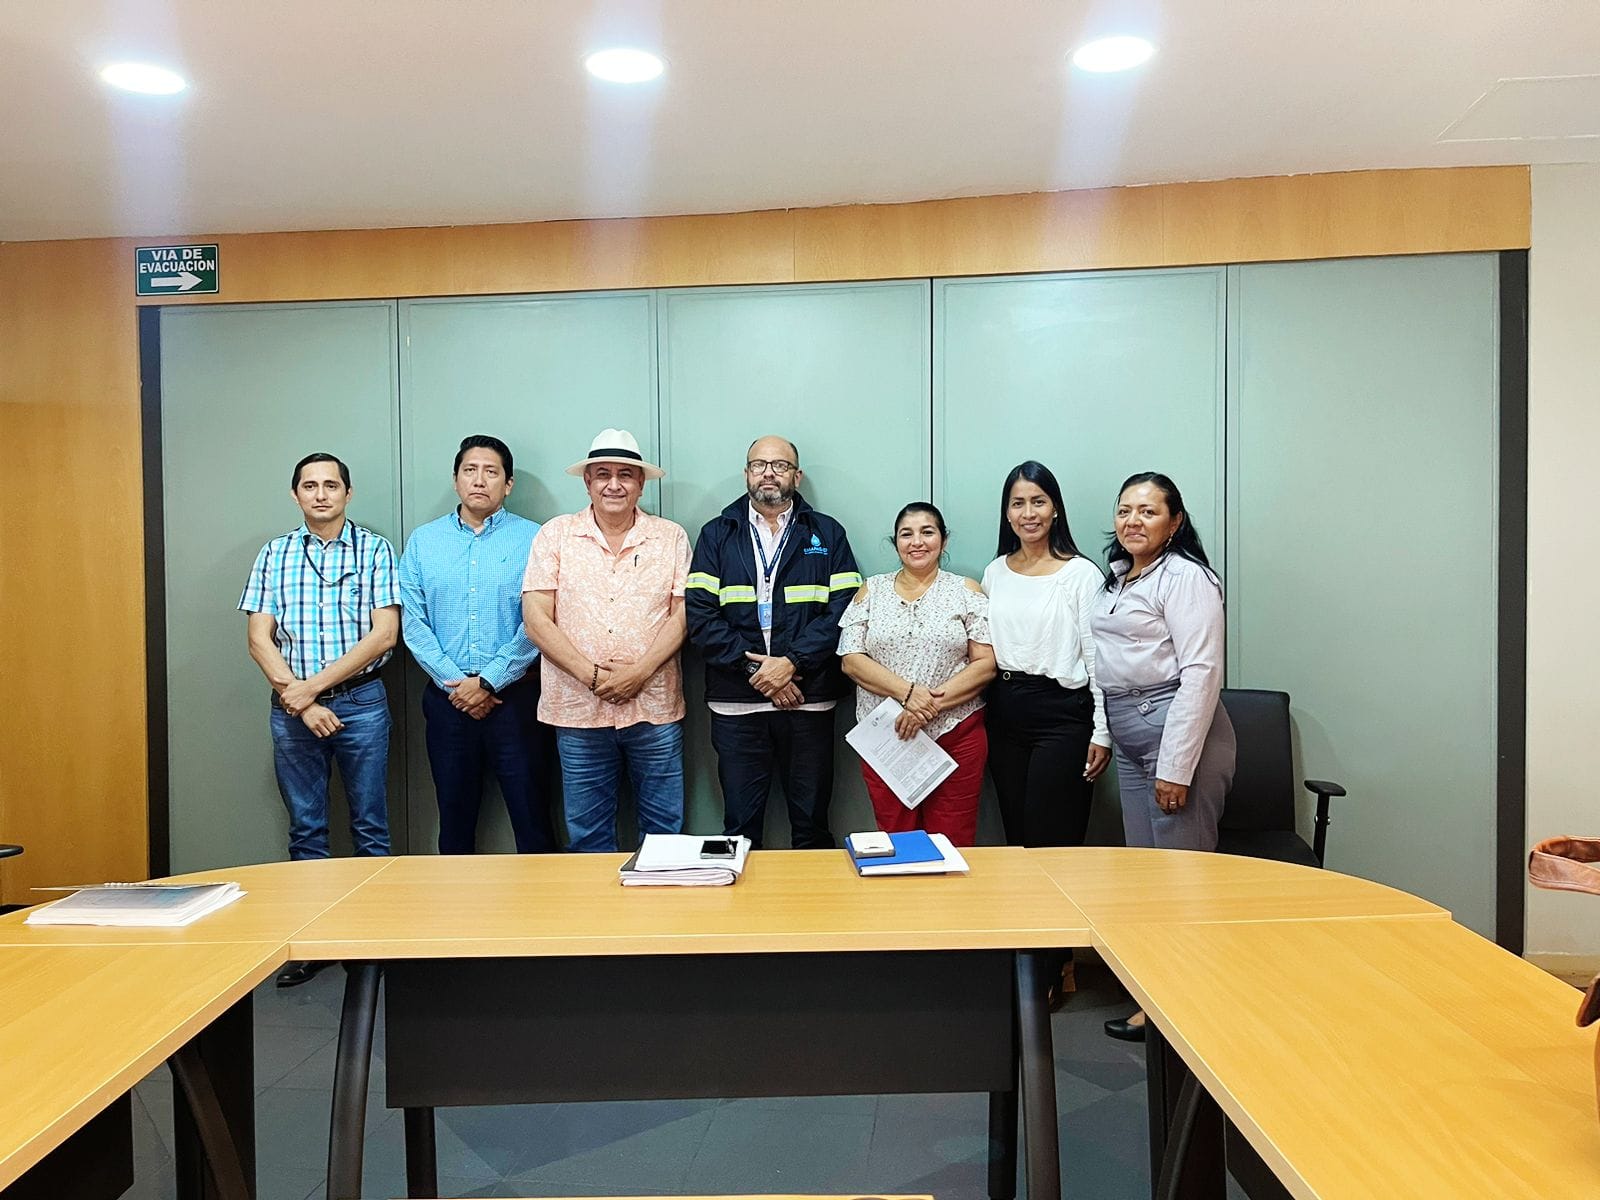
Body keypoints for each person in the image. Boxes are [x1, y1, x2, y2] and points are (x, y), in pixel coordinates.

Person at [238, 451, 399, 987]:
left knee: (370, 827)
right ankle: (314, 941)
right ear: (296, 495)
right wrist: (303, 701)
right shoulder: (275, 553)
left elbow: (384, 635)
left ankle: (372, 943)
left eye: (332, 485)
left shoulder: (374, 549)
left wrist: (313, 688)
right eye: (310, 485)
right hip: (292, 713)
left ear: (348, 494)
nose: (321, 494)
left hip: (361, 703)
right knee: (306, 829)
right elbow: (258, 638)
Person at [1091, 471, 1235, 1041]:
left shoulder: (1187, 577)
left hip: (1176, 729)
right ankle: (1158, 995)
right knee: (1147, 876)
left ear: (1175, 522)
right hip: (1130, 731)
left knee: (1181, 877)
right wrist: (1107, 731)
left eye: (1148, 511)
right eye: (1125, 510)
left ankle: (1185, 1011)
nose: (1133, 521)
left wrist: (1176, 767)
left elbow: (1202, 672)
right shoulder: (1119, 576)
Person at [686, 436, 862, 848]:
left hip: (808, 699)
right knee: (740, 830)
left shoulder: (828, 533)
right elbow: (700, 618)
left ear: (796, 476)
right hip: (736, 703)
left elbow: (846, 611)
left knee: (812, 827)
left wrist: (792, 663)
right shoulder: (716, 534)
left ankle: (813, 895)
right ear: (746, 473)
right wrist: (758, 670)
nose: (768, 472)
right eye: (759, 464)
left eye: (780, 465)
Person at [521, 428, 691, 852]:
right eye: (603, 474)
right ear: (588, 482)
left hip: (653, 707)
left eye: (625, 475)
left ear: (640, 483)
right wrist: (592, 676)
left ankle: (659, 899)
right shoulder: (556, 535)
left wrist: (639, 672)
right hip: (577, 710)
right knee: (588, 836)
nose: (614, 484)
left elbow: (684, 615)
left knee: (664, 833)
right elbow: (536, 617)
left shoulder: (670, 537)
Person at [398, 435, 554, 854]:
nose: (479, 480)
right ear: (456, 480)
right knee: (454, 821)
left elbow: (541, 619)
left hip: (517, 700)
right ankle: (455, 899)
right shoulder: (423, 541)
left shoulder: (536, 539)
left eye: (491, 472)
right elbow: (413, 622)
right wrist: (457, 683)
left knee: (533, 818)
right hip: (447, 701)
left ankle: (544, 899)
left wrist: (488, 681)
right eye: (470, 470)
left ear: (508, 484)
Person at [838, 503, 995, 845]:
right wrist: (908, 694)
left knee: (952, 841)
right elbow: (851, 659)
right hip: (887, 737)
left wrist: (926, 707)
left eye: (927, 532)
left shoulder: (966, 590)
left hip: (957, 734)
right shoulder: (871, 590)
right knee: (897, 841)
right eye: (906, 534)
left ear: (943, 540)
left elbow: (985, 664)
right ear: (895, 543)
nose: (917, 542)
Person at [981, 461, 1111, 849]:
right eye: (1018, 503)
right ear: (1007, 514)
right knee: (1016, 837)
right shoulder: (995, 573)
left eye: (1038, 501)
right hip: (1004, 712)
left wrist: (1102, 732)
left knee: (1054, 840)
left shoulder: (1081, 574)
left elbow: (1098, 660)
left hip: (1063, 717)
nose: (1028, 513)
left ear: (1055, 509)